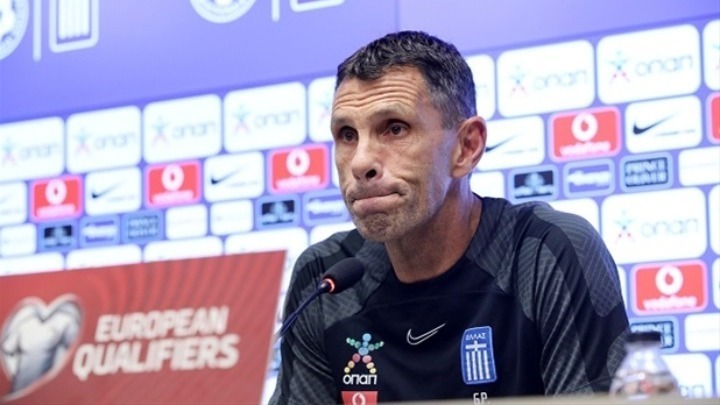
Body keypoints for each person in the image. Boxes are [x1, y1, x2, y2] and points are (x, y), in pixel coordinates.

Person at [270, 30, 629, 404]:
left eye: (395, 128)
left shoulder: (548, 253)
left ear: (467, 147)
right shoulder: (324, 279)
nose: (360, 162)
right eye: (347, 134)